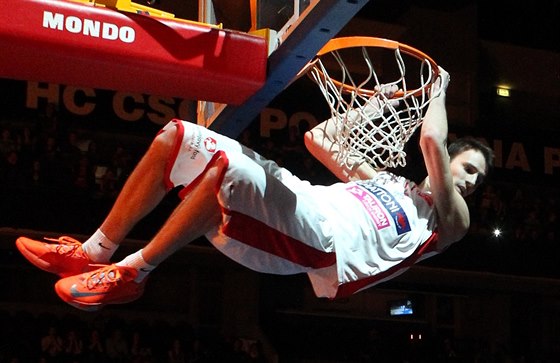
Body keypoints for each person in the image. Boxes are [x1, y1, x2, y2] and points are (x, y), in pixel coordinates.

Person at [15, 68, 493, 311]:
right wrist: (379, 105)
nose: (470, 181)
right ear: (451, 161)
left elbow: (430, 138)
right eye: (468, 167)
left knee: (230, 171)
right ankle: (97, 249)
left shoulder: (449, 222)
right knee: (178, 136)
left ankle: (131, 275)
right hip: (300, 198)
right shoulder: (388, 182)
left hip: (321, 247)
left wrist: (439, 91)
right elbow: (320, 139)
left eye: (477, 179)